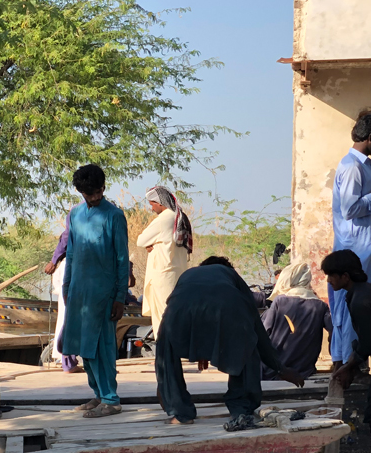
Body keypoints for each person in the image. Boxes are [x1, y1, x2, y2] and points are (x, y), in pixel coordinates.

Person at [155, 256, 304, 429]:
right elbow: (256, 326)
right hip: (226, 309)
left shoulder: (189, 274)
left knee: (165, 348)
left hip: (178, 311)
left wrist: (163, 384)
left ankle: (180, 412)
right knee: (247, 343)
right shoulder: (230, 275)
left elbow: (192, 306)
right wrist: (278, 367)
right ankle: (241, 409)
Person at [61, 164, 129, 418]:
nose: (95, 197)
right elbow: (71, 252)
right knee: (81, 344)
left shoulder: (114, 216)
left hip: (104, 292)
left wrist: (120, 297)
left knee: (102, 347)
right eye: (89, 193)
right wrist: (66, 286)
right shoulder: (75, 214)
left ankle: (111, 399)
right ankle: (99, 394)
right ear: (81, 192)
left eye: (99, 191)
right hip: (78, 290)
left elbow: (122, 259)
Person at [330, 113, 371, 367]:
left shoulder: (363, 165)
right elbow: (349, 208)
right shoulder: (352, 166)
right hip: (355, 247)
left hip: (362, 246)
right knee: (351, 308)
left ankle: (350, 361)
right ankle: (348, 363)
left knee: (358, 308)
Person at [261, 261, 331, 380]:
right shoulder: (320, 306)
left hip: (274, 370)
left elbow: (263, 332)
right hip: (304, 370)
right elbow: (334, 330)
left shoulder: (280, 301)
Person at [136, 186, 192, 333]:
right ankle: (176, 352)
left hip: (163, 275)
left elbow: (140, 240)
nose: (152, 208)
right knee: (176, 315)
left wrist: (150, 243)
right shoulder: (181, 216)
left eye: (152, 204)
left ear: (160, 202)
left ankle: (165, 351)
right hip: (178, 275)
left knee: (163, 316)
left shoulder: (164, 219)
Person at [324, 250, 371, 390]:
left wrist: (348, 367)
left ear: (345, 277)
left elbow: (367, 342)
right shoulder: (360, 293)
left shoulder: (360, 301)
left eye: (331, 275)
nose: (328, 280)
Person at [44, 219, 81, 373]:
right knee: (69, 314)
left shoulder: (79, 214)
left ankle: (67, 358)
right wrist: (54, 260)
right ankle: (68, 359)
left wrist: (54, 261)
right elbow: (66, 239)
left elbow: (65, 239)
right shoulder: (79, 215)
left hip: (75, 267)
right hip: (75, 267)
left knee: (67, 314)